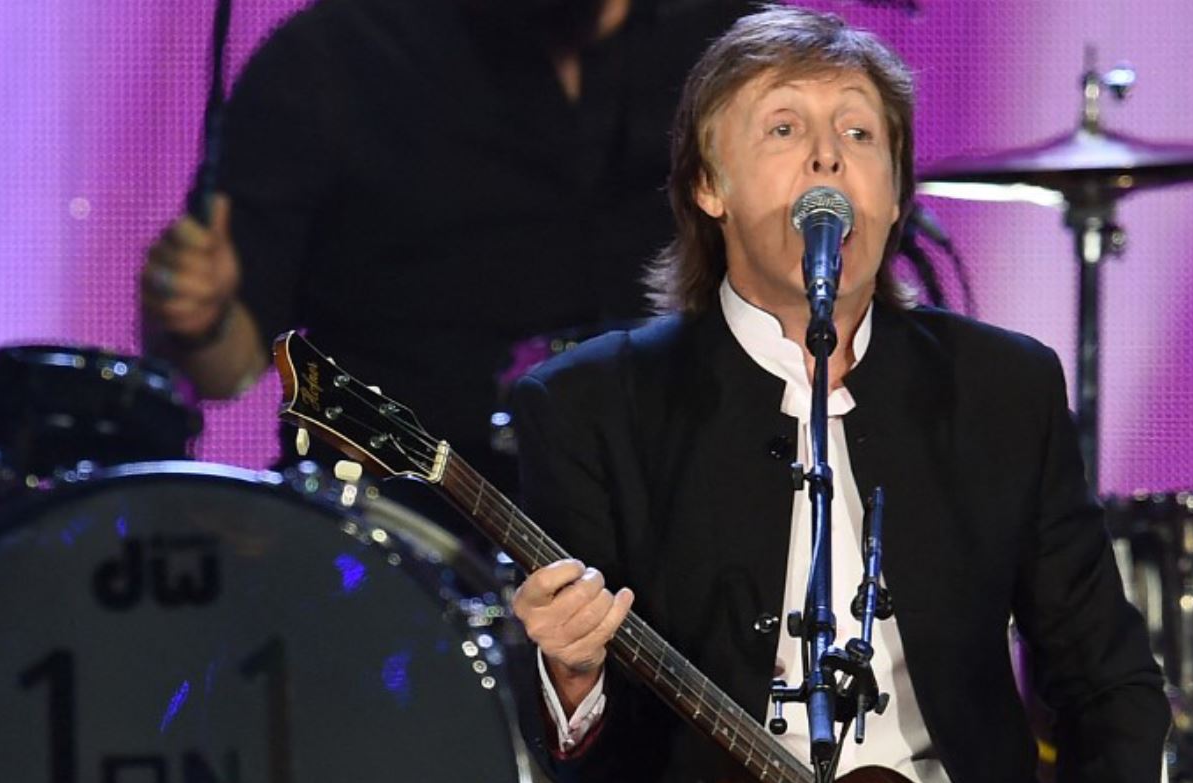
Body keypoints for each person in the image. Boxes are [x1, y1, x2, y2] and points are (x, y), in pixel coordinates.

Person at [507, 9, 1171, 783]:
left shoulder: (1000, 391)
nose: (827, 160)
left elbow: (1109, 681)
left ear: (898, 188)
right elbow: (592, 758)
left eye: (859, 134)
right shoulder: (592, 405)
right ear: (707, 187)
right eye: (784, 129)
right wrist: (570, 675)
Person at [137, 0, 751, 480]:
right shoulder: (332, 60)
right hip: (409, 535)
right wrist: (197, 319)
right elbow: (228, 367)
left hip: (681, 513)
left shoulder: (736, 50)